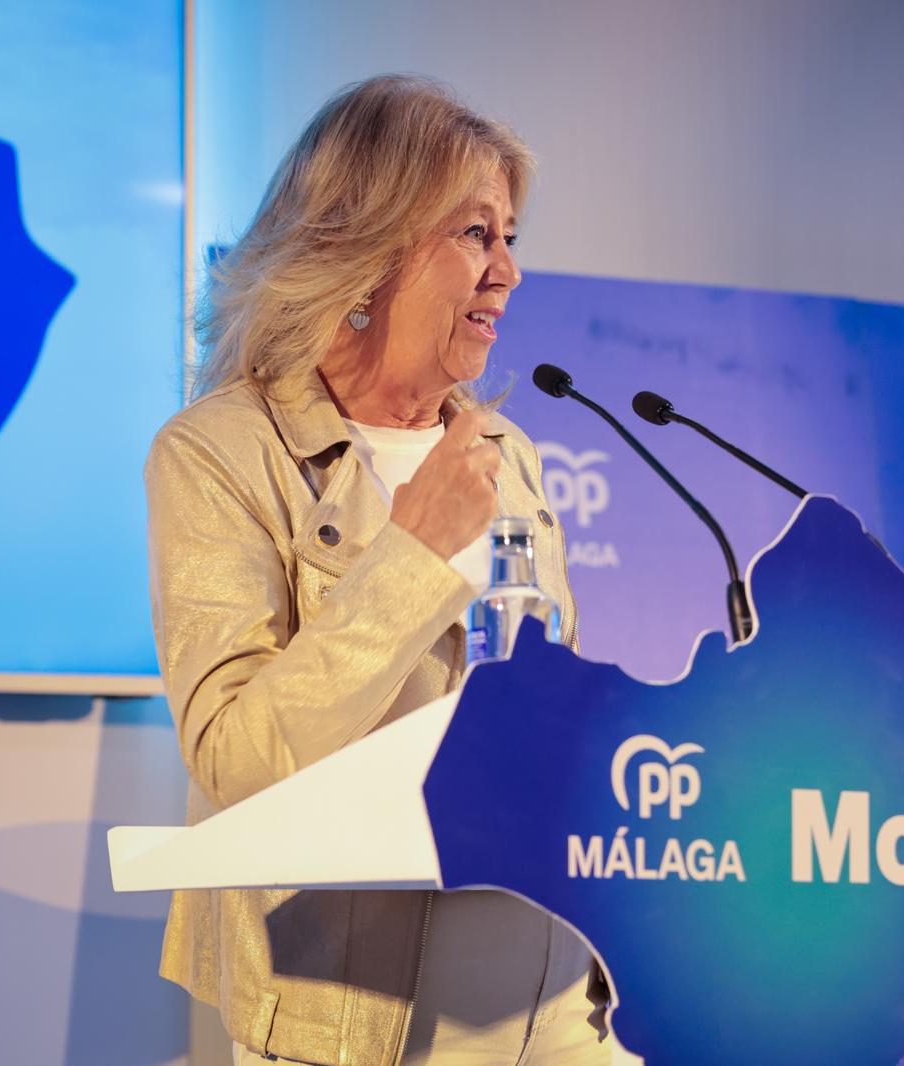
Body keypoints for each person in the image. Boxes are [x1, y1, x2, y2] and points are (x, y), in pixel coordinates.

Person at [146, 75, 611, 1065]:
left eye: (510, 237)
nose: (509, 272)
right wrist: (411, 554)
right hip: (350, 1015)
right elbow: (237, 759)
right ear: (364, 245)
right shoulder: (220, 454)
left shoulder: (509, 455)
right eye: (476, 234)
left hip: (551, 995)